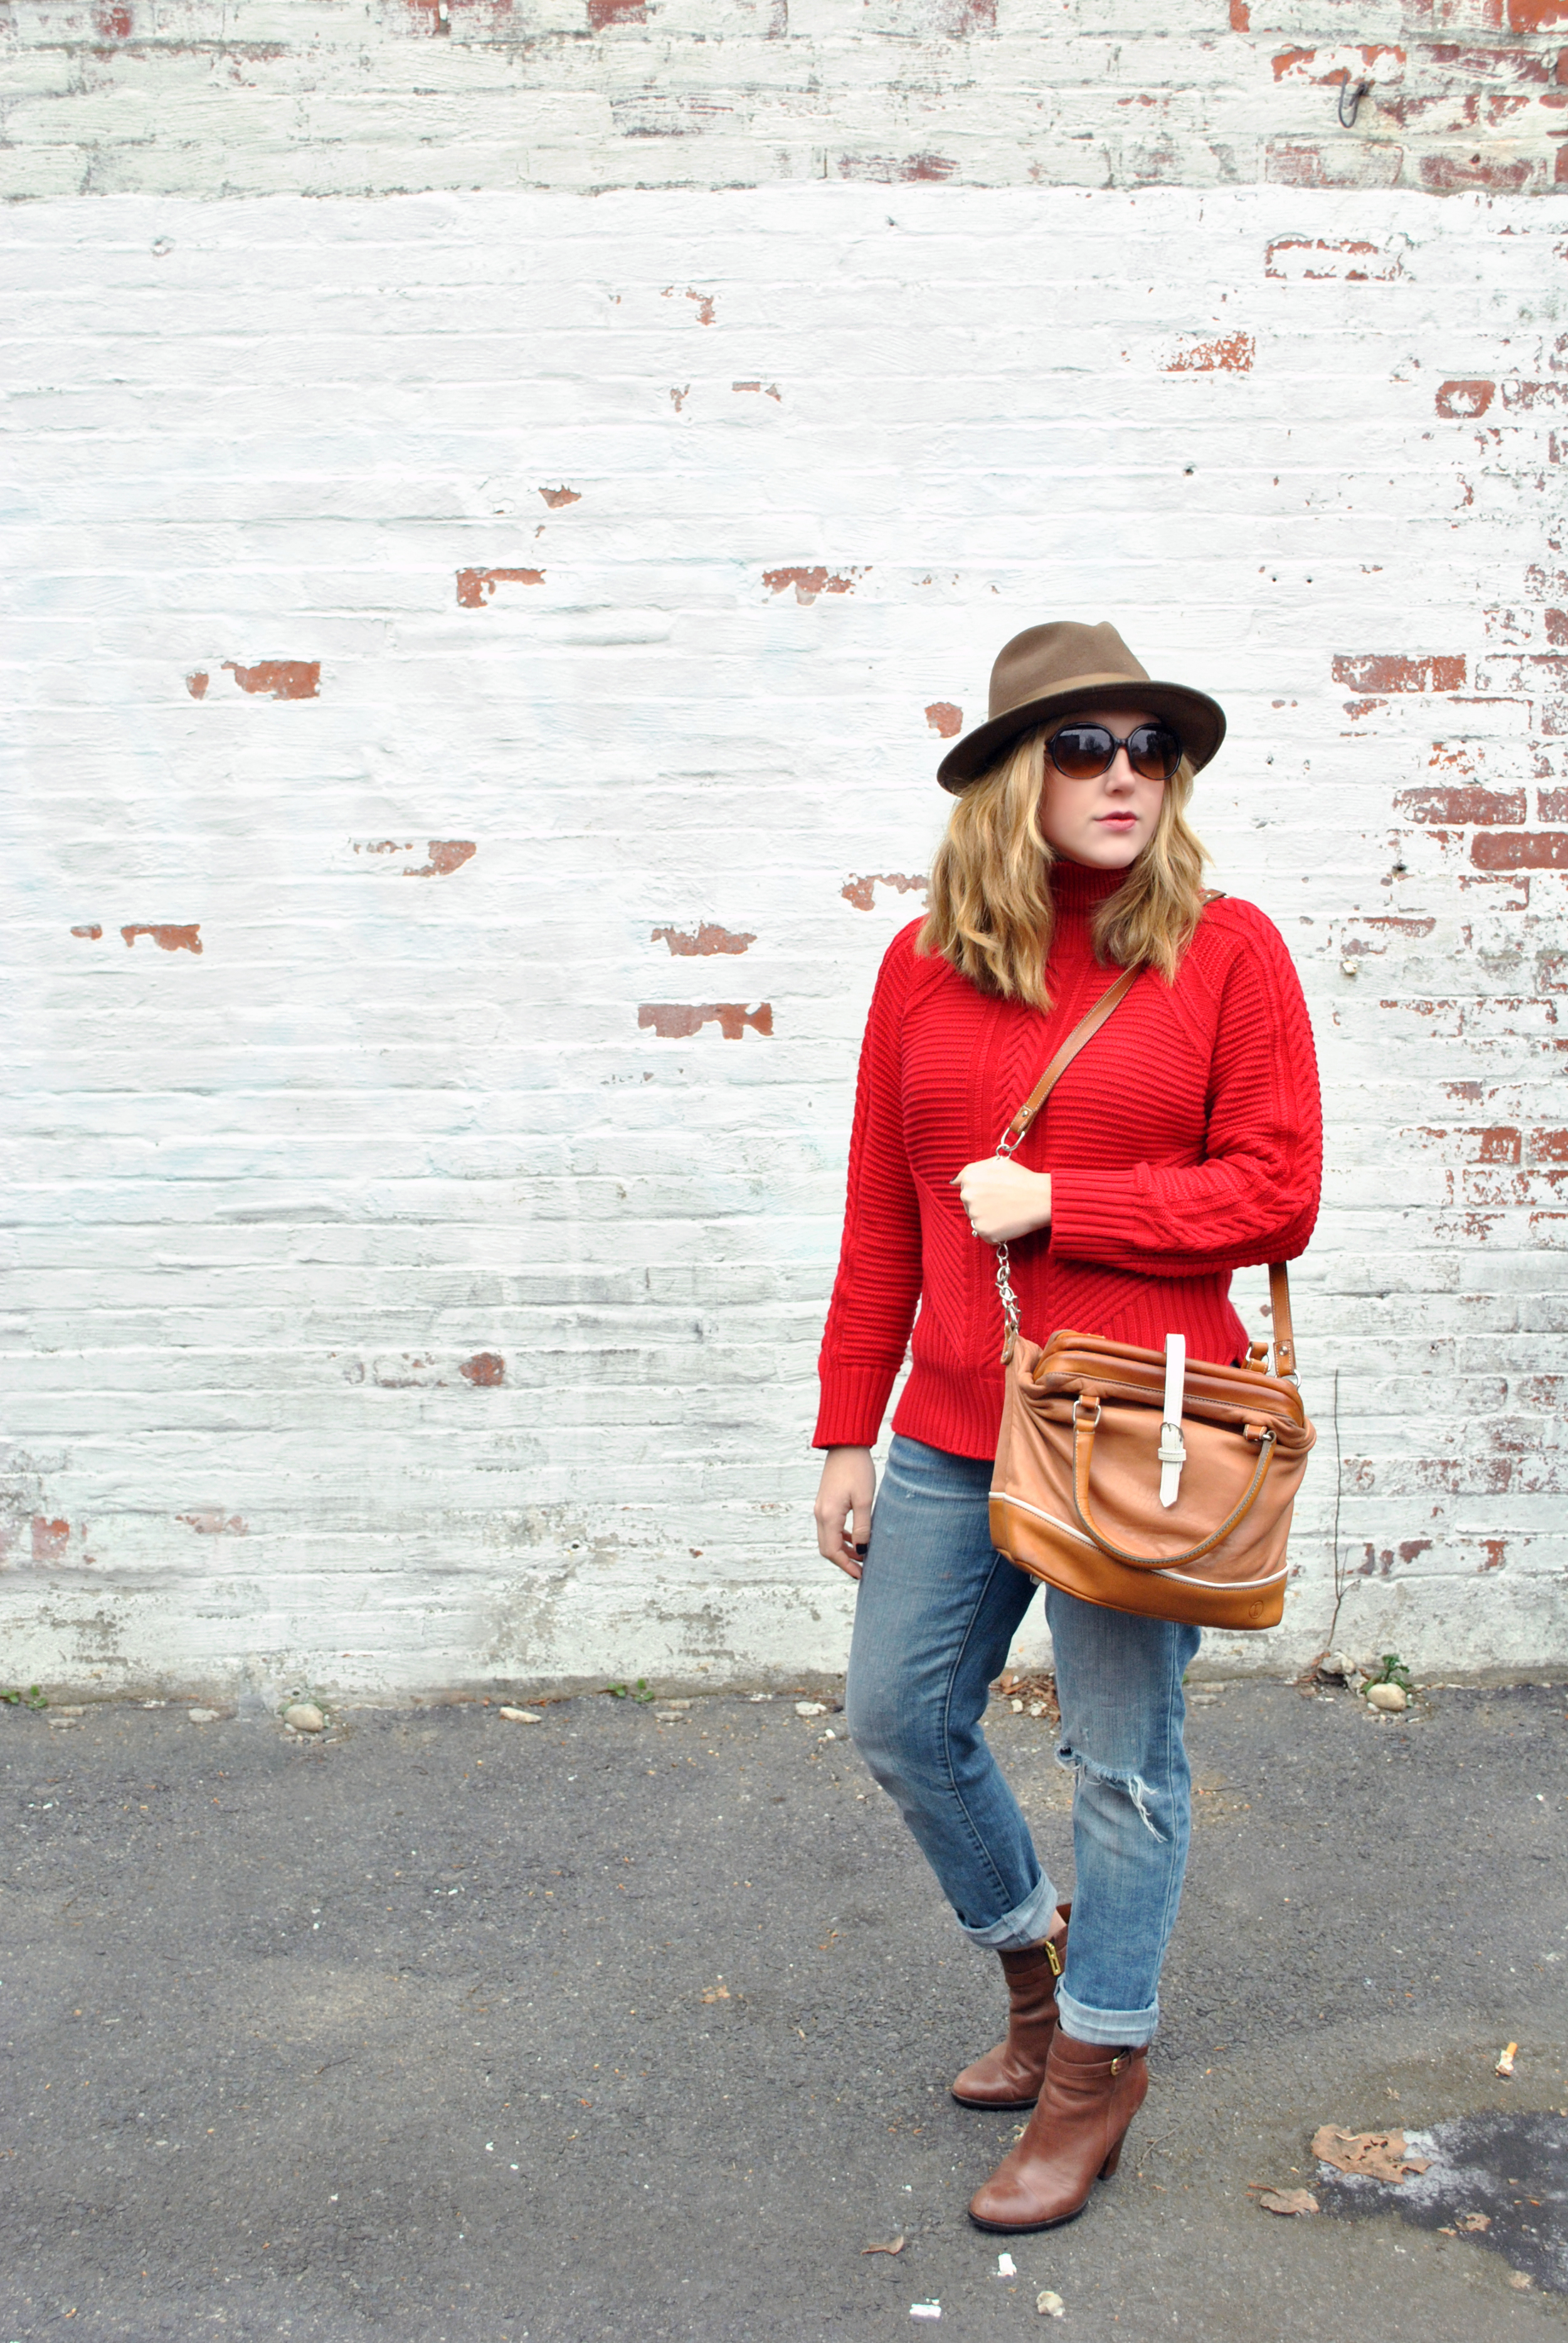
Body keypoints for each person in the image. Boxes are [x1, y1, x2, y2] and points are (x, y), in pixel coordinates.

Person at [812, 620, 1321, 2233]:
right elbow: (885, 1218)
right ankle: (1034, 1978)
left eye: (1150, 748)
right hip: (957, 1425)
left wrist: (1063, 1201)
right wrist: (845, 1426)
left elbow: (1276, 1190)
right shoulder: (920, 968)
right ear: (1006, 779)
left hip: (1138, 1436)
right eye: (1085, 747)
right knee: (900, 1718)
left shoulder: (1225, 950)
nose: (1125, 776)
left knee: (1124, 1765)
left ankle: (1098, 2063)